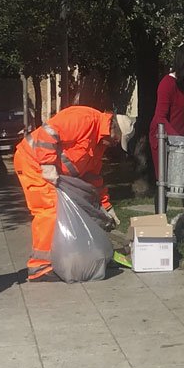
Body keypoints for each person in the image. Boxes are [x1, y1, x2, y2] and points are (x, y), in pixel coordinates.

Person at [14, 106, 134, 279]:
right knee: (49, 210)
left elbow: (93, 178)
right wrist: (47, 164)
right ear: (113, 127)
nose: (116, 144)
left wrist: (106, 206)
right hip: (33, 161)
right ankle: (40, 267)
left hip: (48, 169)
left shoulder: (99, 145)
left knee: (67, 210)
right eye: (118, 139)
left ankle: (58, 259)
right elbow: (49, 132)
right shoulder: (84, 119)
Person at [149, 43, 184, 211]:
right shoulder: (167, 83)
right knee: (164, 182)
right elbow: (160, 117)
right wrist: (177, 141)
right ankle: (159, 223)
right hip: (163, 140)